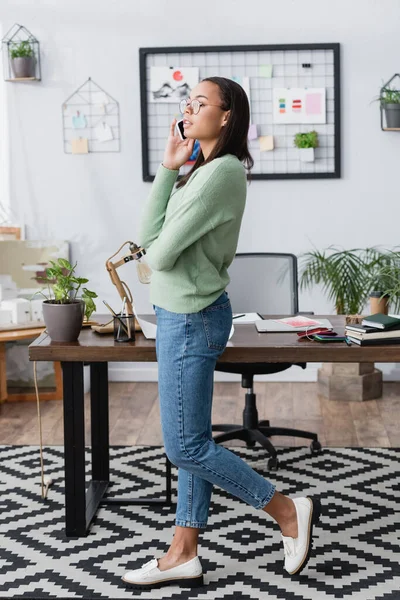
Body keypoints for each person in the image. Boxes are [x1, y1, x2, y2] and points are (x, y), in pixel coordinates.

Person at [122, 77, 321, 590]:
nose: (189, 110)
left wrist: (159, 242)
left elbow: (159, 255)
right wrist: (168, 168)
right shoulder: (199, 171)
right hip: (180, 315)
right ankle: (183, 551)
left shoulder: (223, 173)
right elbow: (146, 239)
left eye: (202, 103)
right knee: (192, 438)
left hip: (189, 319)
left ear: (228, 116)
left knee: (184, 447)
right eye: (188, 102)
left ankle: (286, 510)